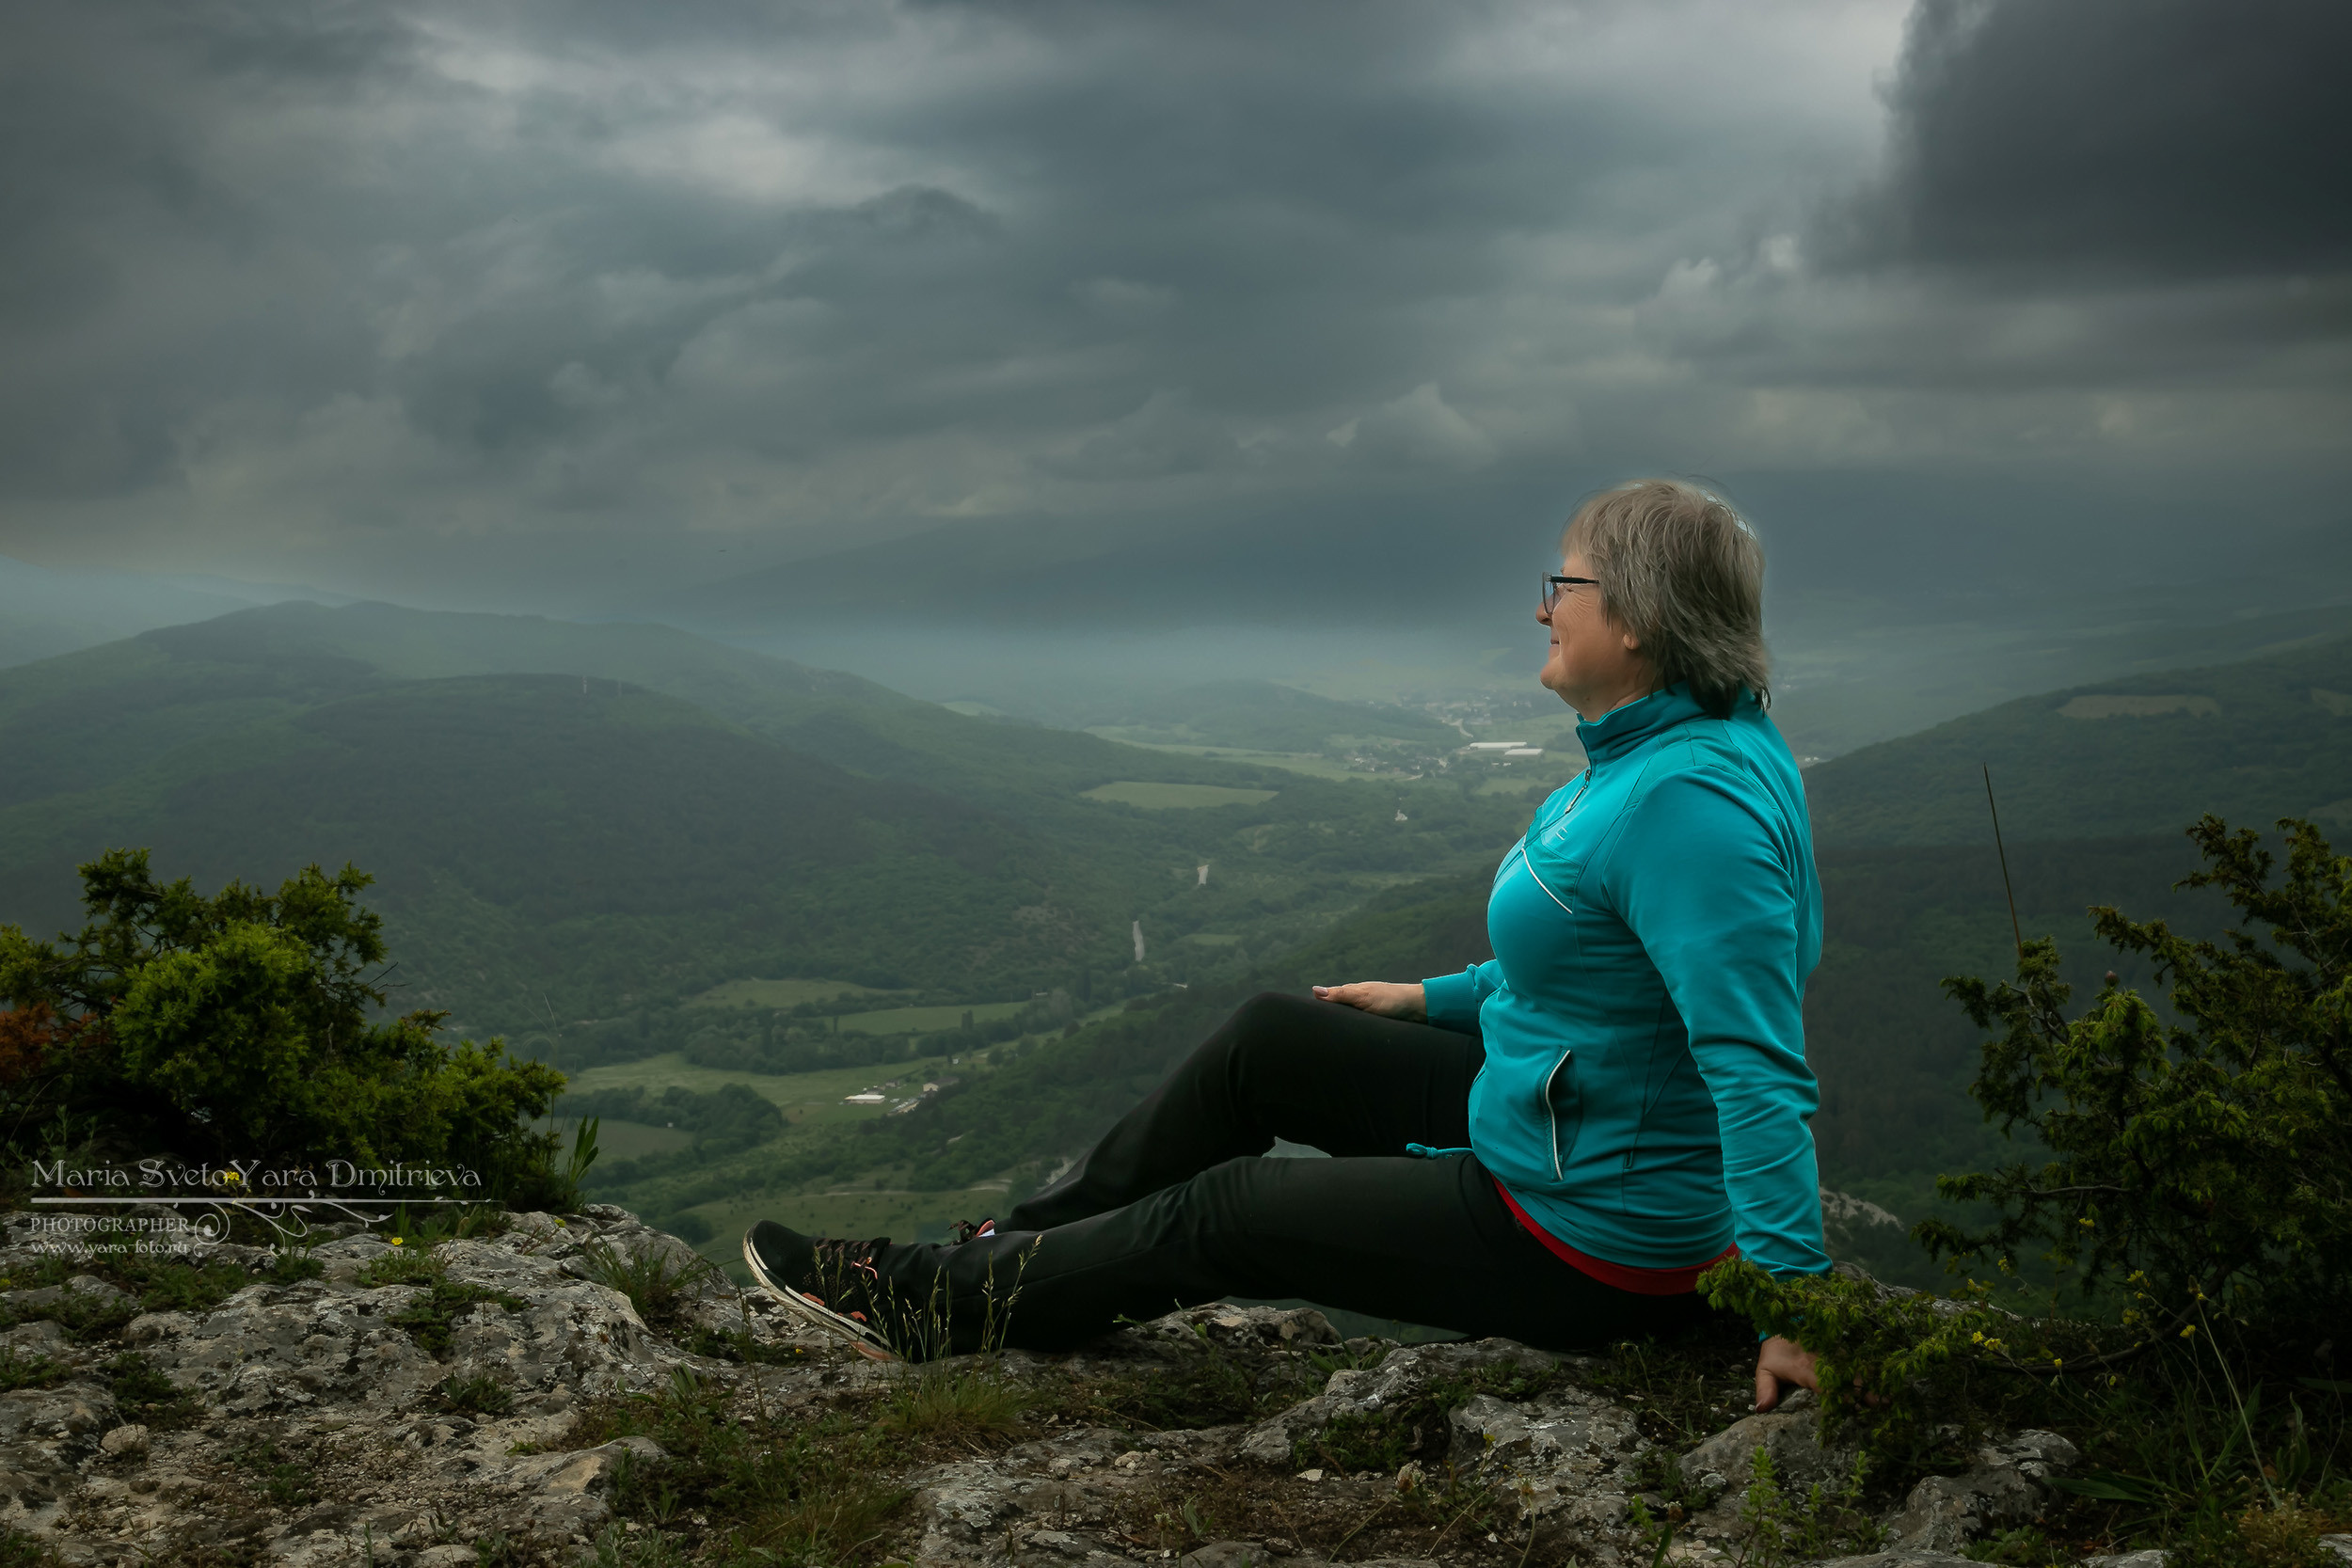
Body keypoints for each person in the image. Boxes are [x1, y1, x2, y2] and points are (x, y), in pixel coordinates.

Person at [744, 478, 1834, 1412]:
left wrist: (1790, 1306)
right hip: (1562, 1117)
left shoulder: (1685, 801)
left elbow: (1753, 1060)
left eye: (1564, 586)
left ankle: (925, 1304)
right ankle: (1001, 1259)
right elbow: (1606, 965)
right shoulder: (1676, 746)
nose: (1541, 609)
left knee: (1228, 1214)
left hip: (1589, 1231)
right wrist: (1432, 997)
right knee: (1269, 1040)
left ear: (1635, 616)